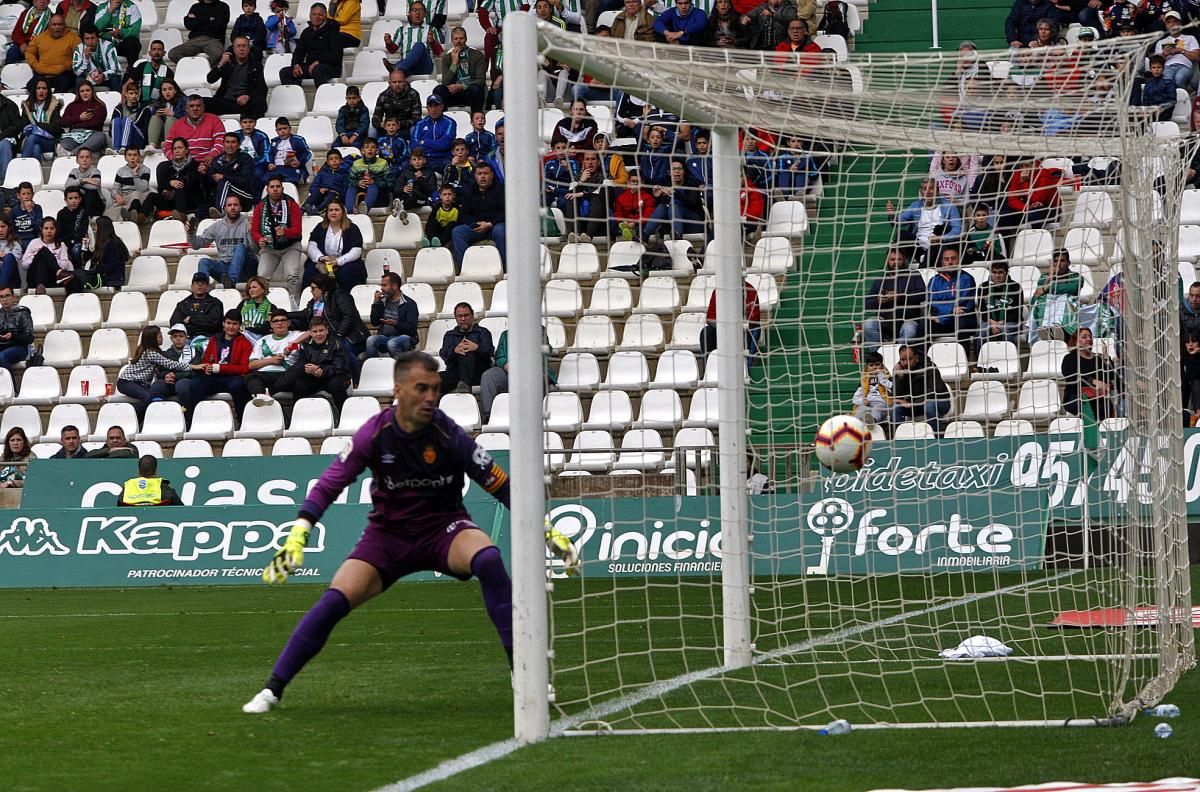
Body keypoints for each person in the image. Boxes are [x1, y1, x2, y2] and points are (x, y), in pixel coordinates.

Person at [241, 350, 580, 714]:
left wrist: (546, 530)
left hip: (445, 530)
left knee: (489, 559)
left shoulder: (449, 433)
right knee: (333, 601)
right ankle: (272, 689)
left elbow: (501, 485)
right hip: (387, 538)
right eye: (422, 388)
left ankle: (522, 671)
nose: (431, 397)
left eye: (435, 389)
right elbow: (329, 484)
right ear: (399, 390)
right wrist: (299, 533)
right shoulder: (375, 433)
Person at [178, 309, 254, 419]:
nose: (231, 327)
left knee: (238, 386)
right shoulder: (215, 339)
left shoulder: (245, 343)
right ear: (223, 323)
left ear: (239, 326)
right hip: (213, 377)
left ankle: (242, 419)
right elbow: (206, 360)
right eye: (228, 323)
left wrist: (221, 368)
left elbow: (245, 368)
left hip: (233, 378)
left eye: (234, 324)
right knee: (195, 384)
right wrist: (207, 368)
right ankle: (194, 419)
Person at [117, 326, 201, 419]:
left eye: (181, 336)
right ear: (152, 339)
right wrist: (191, 366)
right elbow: (170, 364)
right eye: (159, 336)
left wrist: (174, 375)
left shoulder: (194, 352)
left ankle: (184, 417)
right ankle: (132, 419)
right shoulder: (151, 353)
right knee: (147, 396)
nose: (162, 338)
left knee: (152, 394)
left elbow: (159, 369)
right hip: (127, 382)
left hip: (137, 383)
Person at [267, 315, 351, 407]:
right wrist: (310, 370)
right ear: (310, 333)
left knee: (335, 384)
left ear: (327, 330)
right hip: (313, 378)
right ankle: (299, 416)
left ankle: (345, 414)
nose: (318, 334)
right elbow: (302, 361)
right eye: (315, 331)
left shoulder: (337, 344)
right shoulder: (306, 344)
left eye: (321, 330)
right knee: (299, 384)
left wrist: (321, 370)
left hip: (333, 377)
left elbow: (339, 368)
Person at [290, 273, 368, 368]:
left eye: (313, 288)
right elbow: (304, 314)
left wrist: (338, 335)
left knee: (340, 349)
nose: (311, 291)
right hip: (327, 337)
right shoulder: (315, 302)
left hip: (351, 337)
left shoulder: (339, 295)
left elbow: (349, 316)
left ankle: (355, 379)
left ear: (322, 288)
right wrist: (285, 314)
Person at [479, 327, 555, 422]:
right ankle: (489, 415)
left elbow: (547, 352)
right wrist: (505, 364)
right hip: (509, 372)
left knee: (535, 376)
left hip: (532, 369)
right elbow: (499, 356)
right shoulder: (505, 335)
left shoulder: (539, 331)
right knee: (489, 376)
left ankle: (535, 415)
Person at [885, 177, 961, 267]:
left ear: (937, 191)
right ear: (921, 192)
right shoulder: (916, 205)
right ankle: (922, 257)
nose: (928, 192)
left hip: (939, 245)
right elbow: (898, 222)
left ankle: (926, 260)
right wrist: (892, 215)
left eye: (931, 188)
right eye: (924, 189)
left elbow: (957, 229)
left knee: (944, 247)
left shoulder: (949, 206)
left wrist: (941, 238)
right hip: (919, 247)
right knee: (901, 235)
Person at [251, 176, 305, 302]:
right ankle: (263, 306)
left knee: (292, 275)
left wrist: (285, 232)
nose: (275, 189)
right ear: (267, 189)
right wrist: (259, 239)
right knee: (261, 277)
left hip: (290, 246)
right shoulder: (260, 206)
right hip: (269, 247)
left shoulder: (292, 204)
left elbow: (298, 230)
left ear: (282, 188)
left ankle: (295, 304)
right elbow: (254, 230)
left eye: (278, 187)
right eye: (272, 187)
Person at [861, 247, 924, 353]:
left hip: (908, 320)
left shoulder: (914, 275)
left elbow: (923, 295)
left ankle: (900, 358)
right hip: (886, 322)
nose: (895, 262)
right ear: (887, 261)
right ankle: (877, 358)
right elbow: (866, 304)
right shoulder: (880, 280)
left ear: (904, 260)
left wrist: (899, 296)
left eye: (898, 259)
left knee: (910, 329)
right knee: (868, 324)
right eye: (892, 259)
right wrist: (878, 300)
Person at [245, 309, 308, 404]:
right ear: (271, 324)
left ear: (288, 323)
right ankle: (261, 396)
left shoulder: (295, 335)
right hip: (265, 373)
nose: (280, 323)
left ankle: (269, 393)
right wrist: (271, 360)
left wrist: (292, 345)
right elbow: (252, 365)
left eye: (283, 320)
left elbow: (311, 332)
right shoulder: (263, 340)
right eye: (276, 321)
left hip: (286, 374)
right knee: (250, 377)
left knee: (301, 367)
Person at [189, 195, 253, 289]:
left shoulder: (248, 223)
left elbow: (254, 248)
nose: (232, 208)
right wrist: (191, 234)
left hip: (245, 268)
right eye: (229, 205)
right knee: (204, 262)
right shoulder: (217, 226)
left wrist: (251, 232)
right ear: (225, 208)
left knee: (240, 247)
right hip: (224, 268)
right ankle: (201, 290)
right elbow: (196, 245)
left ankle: (231, 282)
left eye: (235, 205)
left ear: (240, 208)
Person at [451, 162, 505, 272]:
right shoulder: (469, 191)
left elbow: (507, 212)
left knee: (501, 231)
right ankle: (464, 269)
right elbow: (463, 214)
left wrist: (490, 224)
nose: (483, 176)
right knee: (458, 232)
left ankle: (506, 268)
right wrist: (474, 224)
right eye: (479, 174)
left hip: (495, 225)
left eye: (486, 173)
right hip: (476, 227)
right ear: (475, 176)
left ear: (492, 175)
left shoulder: (501, 190)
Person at [303, 199, 365, 291]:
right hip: (324, 261)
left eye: (336, 210)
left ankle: (346, 300)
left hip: (345, 262)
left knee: (346, 272)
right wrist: (321, 258)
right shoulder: (320, 227)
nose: (333, 213)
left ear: (342, 212)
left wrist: (337, 261)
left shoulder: (352, 229)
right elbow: (312, 246)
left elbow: (356, 251)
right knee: (310, 272)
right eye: (330, 210)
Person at [1062, 326, 1121, 421]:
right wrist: (1093, 381)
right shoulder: (1069, 358)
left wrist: (1106, 357)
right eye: (1084, 337)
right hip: (1077, 397)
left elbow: (1110, 375)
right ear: (1076, 341)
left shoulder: (1098, 358)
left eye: (1090, 337)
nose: (1089, 339)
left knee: (1104, 405)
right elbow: (1071, 376)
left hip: (1100, 398)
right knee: (1088, 404)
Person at [890, 344, 951, 435]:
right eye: (902, 360)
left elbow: (933, 392)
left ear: (916, 358)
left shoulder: (929, 366)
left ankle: (937, 438)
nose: (906, 363)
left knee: (929, 405)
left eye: (909, 359)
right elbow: (895, 396)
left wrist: (912, 403)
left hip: (940, 402)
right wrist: (899, 378)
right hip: (915, 405)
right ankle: (899, 439)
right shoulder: (900, 368)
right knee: (895, 407)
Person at [927, 247, 977, 352]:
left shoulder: (967, 279)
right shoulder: (934, 281)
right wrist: (951, 311)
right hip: (941, 321)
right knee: (924, 324)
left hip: (962, 320)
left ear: (959, 260)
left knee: (961, 321)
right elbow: (933, 304)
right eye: (946, 259)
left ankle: (965, 361)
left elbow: (964, 307)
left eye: (953, 258)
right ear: (942, 262)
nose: (950, 262)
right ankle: (923, 362)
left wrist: (942, 317)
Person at [279, 3, 342, 86]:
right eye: (314, 14)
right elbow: (298, 52)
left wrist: (318, 62)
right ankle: (296, 96)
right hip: (310, 67)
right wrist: (296, 65)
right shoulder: (307, 32)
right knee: (285, 72)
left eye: (320, 15)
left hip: (330, 67)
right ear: (310, 15)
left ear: (325, 16)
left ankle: (321, 97)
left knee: (317, 70)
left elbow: (336, 56)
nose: (316, 17)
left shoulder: (333, 31)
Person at [205, 35, 268, 118]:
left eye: (244, 46)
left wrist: (248, 96)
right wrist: (220, 64)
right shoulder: (227, 63)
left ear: (248, 49)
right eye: (238, 46)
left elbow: (262, 88)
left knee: (259, 102)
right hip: (226, 101)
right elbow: (210, 79)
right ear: (234, 49)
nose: (241, 49)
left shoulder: (255, 65)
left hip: (245, 104)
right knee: (201, 102)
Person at [1028, 248, 1080, 343]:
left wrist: (1046, 288)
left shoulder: (1076, 276)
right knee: (1042, 300)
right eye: (1056, 261)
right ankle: (1047, 329)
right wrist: (1049, 278)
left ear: (1069, 263)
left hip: (1069, 311)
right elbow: (1034, 299)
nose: (1058, 264)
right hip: (1047, 309)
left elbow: (1072, 288)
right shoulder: (1044, 277)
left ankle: (1060, 330)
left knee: (1064, 297)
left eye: (1062, 261)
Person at [439, 301, 493, 393]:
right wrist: (454, 351)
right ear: (455, 318)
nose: (463, 319)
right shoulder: (450, 335)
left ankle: (465, 384)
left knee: (467, 353)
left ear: (472, 315)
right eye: (460, 316)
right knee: (434, 379)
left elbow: (489, 353)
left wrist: (477, 348)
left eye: (466, 315)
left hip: (477, 373)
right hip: (455, 374)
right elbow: (444, 355)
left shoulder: (483, 333)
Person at [434, 26, 488, 114]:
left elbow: (481, 80)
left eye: (461, 38)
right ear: (452, 41)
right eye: (456, 39)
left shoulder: (477, 55)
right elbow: (445, 82)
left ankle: (476, 117)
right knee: (439, 90)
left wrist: (462, 86)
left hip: (470, 93)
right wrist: (454, 63)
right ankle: (441, 119)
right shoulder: (447, 58)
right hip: (453, 94)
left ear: (466, 39)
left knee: (475, 89)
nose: (458, 41)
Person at [365, 271, 419, 359]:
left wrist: (395, 323)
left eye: (384, 285)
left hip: (405, 338)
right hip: (386, 337)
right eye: (381, 285)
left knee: (392, 343)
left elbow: (412, 329)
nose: (381, 288)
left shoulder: (409, 304)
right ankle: (374, 367)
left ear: (394, 286)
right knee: (370, 340)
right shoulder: (382, 301)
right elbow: (374, 322)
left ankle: (401, 369)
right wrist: (376, 302)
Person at [206, 133, 258, 216]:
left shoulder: (245, 158)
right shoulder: (217, 159)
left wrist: (224, 177)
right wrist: (209, 175)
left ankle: (220, 211)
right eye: (227, 142)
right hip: (222, 195)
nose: (230, 145)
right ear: (223, 144)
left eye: (233, 142)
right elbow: (209, 179)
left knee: (224, 182)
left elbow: (246, 182)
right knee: (201, 210)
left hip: (244, 196)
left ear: (238, 144)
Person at [26, 14, 81, 92]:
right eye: (54, 25)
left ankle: (56, 104)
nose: (57, 27)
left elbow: (79, 58)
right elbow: (29, 52)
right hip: (42, 73)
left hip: (63, 73)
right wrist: (36, 65)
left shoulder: (74, 38)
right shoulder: (40, 37)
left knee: (63, 84)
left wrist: (65, 66)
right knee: (30, 86)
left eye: (60, 24)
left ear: (64, 25)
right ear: (49, 25)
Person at [21, 218, 77, 294]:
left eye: (52, 228)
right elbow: (24, 265)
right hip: (34, 277)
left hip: (52, 278)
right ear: (41, 229)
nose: (49, 231)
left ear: (56, 230)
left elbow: (65, 265)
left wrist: (50, 258)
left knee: (44, 256)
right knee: (43, 252)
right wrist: (36, 256)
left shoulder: (61, 245)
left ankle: (41, 287)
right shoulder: (34, 243)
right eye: (46, 228)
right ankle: (58, 273)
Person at [155, 137, 204, 221]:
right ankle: (138, 219)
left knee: (180, 189)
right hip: (171, 199)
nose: (177, 151)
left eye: (180, 148)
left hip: (190, 199)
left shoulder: (195, 165)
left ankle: (181, 217)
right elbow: (161, 187)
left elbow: (193, 186)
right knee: (152, 196)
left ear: (186, 150)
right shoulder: (167, 166)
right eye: (175, 149)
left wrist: (175, 190)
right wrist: (170, 183)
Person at [978, 260, 1022, 351]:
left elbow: (1016, 312)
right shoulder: (983, 287)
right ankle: (980, 360)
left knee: (1006, 331)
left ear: (1006, 273)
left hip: (1010, 321)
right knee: (982, 331)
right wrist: (992, 322)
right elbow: (982, 310)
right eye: (994, 272)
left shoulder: (1015, 287)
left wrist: (1000, 323)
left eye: (1001, 272)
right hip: (989, 321)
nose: (997, 276)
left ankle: (1009, 360)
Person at [169, 0, 229, 66]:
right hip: (195, 40)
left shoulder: (223, 7)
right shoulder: (195, 7)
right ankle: (193, 67)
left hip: (213, 39)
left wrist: (198, 20)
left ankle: (201, 68)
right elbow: (188, 24)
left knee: (218, 54)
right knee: (173, 54)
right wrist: (208, 19)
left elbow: (218, 26)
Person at [384, 0, 435, 77]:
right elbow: (392, 50)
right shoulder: (401, 30)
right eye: (414, 10)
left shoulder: (431, 29)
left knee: (419, 45)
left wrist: (433, 42)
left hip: (424, 66)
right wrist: (389, 43)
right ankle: (398, 70)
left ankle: (397, 67)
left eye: (421, 10)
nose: (417, 13)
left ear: (424, 14)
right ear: (409, 13)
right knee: (396, 76)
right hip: (408, 67)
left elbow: (439, 52)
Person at [57, 79, 106, 155]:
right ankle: (76, 152)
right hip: (74, 135)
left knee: (101, 136)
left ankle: (73, 153)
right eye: (82, 91)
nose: (85, 93)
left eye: (87, 90)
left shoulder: (99, 105)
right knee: (65, 143)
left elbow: (97, 122)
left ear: (92, 91)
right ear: (78, 93)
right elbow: (62, 122)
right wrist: (79, 118)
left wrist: (74, 123)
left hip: (92, 134)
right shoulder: (72, 105)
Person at [172, 94, 224, 166]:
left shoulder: (214, 120)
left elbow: (221, 142)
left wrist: (212, 155)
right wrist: (175, 158)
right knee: (163, 167)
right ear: (186, 109)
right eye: (191, 106)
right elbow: (168, 145)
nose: (195, 108)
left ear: (203, 108)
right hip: (185, 162)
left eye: (198, 106)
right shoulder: (178, 124)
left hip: (209, 161)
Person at [170, 271, 225, 340]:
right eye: (197, 283)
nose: (200, 285)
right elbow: (175, 324)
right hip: (188, 339)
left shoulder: (215, 303)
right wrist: (202, 322)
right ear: (192, 286)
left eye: (203, 283)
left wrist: (191, 319)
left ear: (207, 286)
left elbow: (215, 324)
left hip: (210, 339)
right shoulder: (183, 304)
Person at [371, 69, 422, 140]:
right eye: (394, 82)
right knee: (372, 131)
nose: (397, 85)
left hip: (406, 128)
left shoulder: (413, 94)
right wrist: (382, 124)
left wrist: (399, 124)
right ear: (389, 83)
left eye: (400, 82)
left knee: (414, 129)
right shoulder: (383, 96)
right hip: (388, 128)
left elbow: (417, 118)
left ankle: (414, 150)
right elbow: (375, 118)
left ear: (404, 82)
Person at [411, 94, 457, 171]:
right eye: (431, 106)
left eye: (436, 106)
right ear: (427, 108)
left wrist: (424, 141)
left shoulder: (450, 123)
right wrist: (435, 145)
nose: (433, 109)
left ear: (442, 107)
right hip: (424, 159)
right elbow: (414, 145)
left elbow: (444, 144)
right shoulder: (420, 123)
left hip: (442, 159)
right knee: (405, 165)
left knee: (450, 167)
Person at [19, 77, 62, 160]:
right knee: (36, 148)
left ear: (48, 91)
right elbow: (24, 127)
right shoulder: (27, 106)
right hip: (30, 141)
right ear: (34, 90)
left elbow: (55, 128)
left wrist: (36, 125)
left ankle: (22, 164)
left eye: (44, 88)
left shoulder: (55, 105)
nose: (41, 91)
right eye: (38, 88)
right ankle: (34, 172)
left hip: (49, 141)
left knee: (33, 137)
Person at [1154, 10, 1198, 89]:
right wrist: (1164, 54)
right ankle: (1175, 99)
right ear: (1166, 25)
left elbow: (1197, 57)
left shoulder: (1190, 38)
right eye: (1169, 22)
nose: (1172, 24)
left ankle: (1183, 98)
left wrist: (1181, 51)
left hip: (1185, 66)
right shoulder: (1161, 42)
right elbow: (1155, 62)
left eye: (1175, 21)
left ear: (1180, 23)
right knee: (1167, 80)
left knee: (1179, 79)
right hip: (1168, 67)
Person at [349, 138, 394, 214]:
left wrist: (375, 182)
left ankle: (365, 209)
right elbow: (349, 180)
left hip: (378, 195)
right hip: (360, 194)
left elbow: (390, 184)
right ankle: (350, 211)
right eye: (367, 147)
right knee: (352, 187)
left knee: (373, 186)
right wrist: (358, 183)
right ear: (362, 151)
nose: (370, 149)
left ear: (376, 150)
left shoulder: (383, 163)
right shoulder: (356, 163)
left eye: (373, 147)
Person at [118, 455, 183, 506]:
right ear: (155, 471)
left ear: (139, 471)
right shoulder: (162, 486)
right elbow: (181, 509)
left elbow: (119, 506)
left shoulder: (128, 486)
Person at [851, 351, 893, 429]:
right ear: (867, 367)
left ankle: (872, 421)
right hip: (868, 403)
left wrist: (882, 377)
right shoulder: (864, 380)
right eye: (871, 365)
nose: (874, 367)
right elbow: (855, 399)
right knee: (860, 410)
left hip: (882, 402)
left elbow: (893, 389)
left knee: (877, 409)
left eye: (877, 364)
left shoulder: (887, 377)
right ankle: (854, 426)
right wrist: (862, 400)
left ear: (882, 365)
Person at [123, 39, 172, 105]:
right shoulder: (142, 66)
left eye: (159, 49)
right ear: (150, 53)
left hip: (159, 106)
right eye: (154, 49)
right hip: (140, 105)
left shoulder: (168, 72)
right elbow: (126, 85)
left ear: (164, 53)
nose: (156, 52)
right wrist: (123, 103)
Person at [71, 25, 119, 90]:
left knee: (115, 79)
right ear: (83, 39)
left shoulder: (108, 46)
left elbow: (115, 69)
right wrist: (85, 59)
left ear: (98, 38)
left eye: (92, 38)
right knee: (79, 80)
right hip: (89, 79)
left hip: (105, 78)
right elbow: (77, 72)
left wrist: (103, 76)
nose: (90, 42)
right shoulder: (79, 48)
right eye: (87, 39)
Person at [266, 117, 312, 186]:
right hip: (276, 168)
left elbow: (307, 153)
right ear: (276, 131)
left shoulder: (298, 140)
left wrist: (299, 162)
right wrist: (270, 163)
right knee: (264, 180)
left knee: (288, 182)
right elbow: (270, 154)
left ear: (290, 128)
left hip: (291, 167)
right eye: (280, 129)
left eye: (285, 128)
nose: (283, 131)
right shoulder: (274, 141)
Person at [303, 149, 349, 216]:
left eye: (336, 158)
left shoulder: (344, 175)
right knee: (318, 192)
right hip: (322, 196)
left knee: (331, 193)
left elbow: (346, 191)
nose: (334, 161)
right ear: (327, 162)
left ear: (341, 161)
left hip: (335, 197)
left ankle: (318, 210)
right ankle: (305, 207)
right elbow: (313, 187)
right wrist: (319, 189)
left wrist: (337, 192)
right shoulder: (322, 173)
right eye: (331, 159)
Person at [6, 0, 54, 66]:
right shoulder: (25, 14)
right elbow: (16, 32)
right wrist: (22, 43)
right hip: (24, 44)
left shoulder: (52, 17)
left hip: (39, 47)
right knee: (12, 52)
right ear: (34, 2)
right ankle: (9, 73)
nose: (42, 1)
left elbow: (50, 38)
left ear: (48, 2)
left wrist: (33, 47)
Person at [110, 80, 152, 153]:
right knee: (116, 120)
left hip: (138, 138)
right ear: (126, 94)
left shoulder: (144, 109)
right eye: (131, 93)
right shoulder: (118, 108)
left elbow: (146, 131)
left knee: (126, 120)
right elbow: (111, 130)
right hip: (123, 135)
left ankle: (124, 147)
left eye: (136, 93)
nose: (134, 96)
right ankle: (116, 149)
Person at [0, 286, 33, 370]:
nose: (4, 299)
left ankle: (11, 383)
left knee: (1, 357)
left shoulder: (23, 312)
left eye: (7, 296)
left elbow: (29, 338)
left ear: (13, 297)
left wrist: (12, 336)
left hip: (19, 348)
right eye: (1, 297)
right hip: (2, 346)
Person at [147, 78, 184, 150]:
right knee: (154, 118)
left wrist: (173, 114)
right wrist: (157, 114)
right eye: (164, 90)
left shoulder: (183, 100)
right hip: (162, 137)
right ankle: (152, 145)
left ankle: (168, 144)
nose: (167, 92)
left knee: (170, 119)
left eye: (170, 89)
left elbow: (188, 119)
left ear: (175, 90)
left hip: (179, 134)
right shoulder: (158, 102)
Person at [237, 275, 276, 341]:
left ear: (263, 289)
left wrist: (247, 330)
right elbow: (235, 320)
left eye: (254, 287)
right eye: (249, 288)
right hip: (242, 339)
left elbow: (266, 329)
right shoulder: (243, 304)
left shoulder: (272, 307)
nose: (251, 290)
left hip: (262, 340)